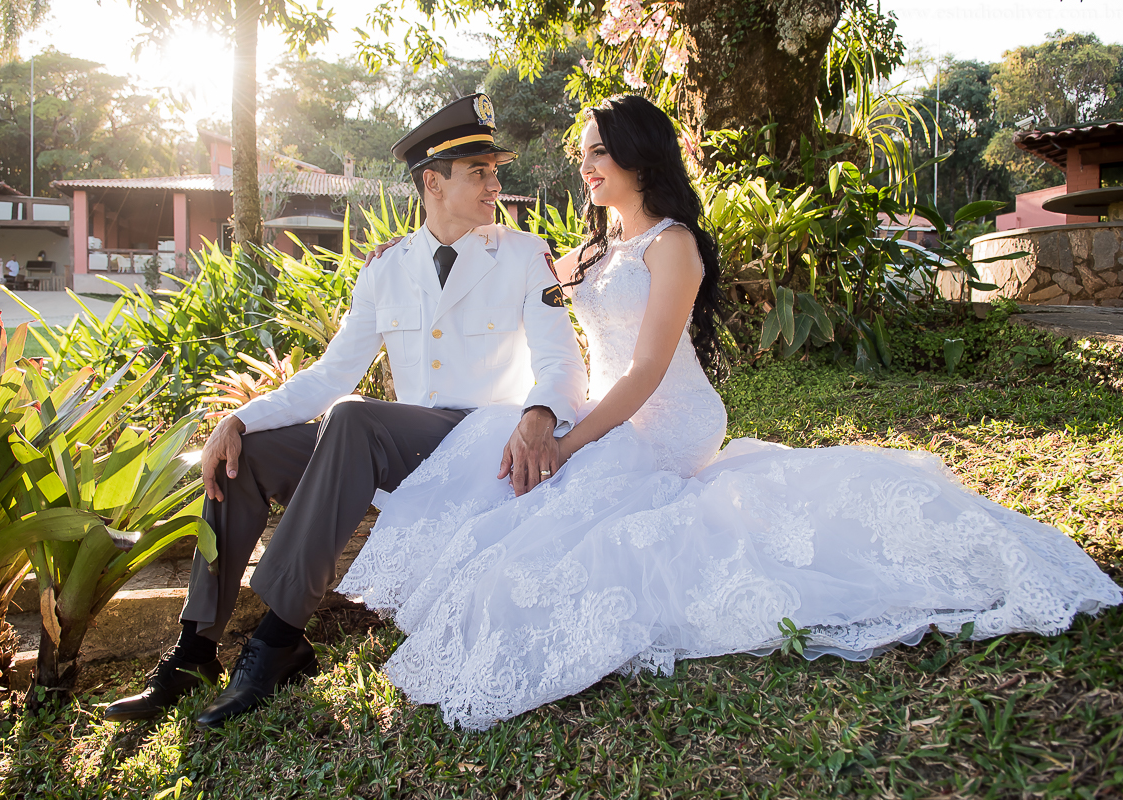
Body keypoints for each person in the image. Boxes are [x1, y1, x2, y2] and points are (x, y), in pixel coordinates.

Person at [339, 95, 1122, 731]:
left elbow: (647, 373)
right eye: (582, 152)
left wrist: (573, 441)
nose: (584, 165)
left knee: (571, 518)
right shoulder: (589, 252)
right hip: (609, 414)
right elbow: (500, 249)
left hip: (665, 417)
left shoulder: (673, 246)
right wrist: (400, 251)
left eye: (597, 153)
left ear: (640, 158)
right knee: (525, 503)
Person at [104, 94, 588, 729]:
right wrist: (240, 419)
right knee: (243, 456)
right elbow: (333, 374)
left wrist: (538, 416)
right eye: (480, 172)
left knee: (356, 418)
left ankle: (276, 639)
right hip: (396, 449)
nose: (495, 183)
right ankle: (196, 648)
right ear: (432, 182)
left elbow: (562, 361)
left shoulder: (524, 254)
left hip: (476, 444)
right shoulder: (387, 269)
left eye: (495, 170)